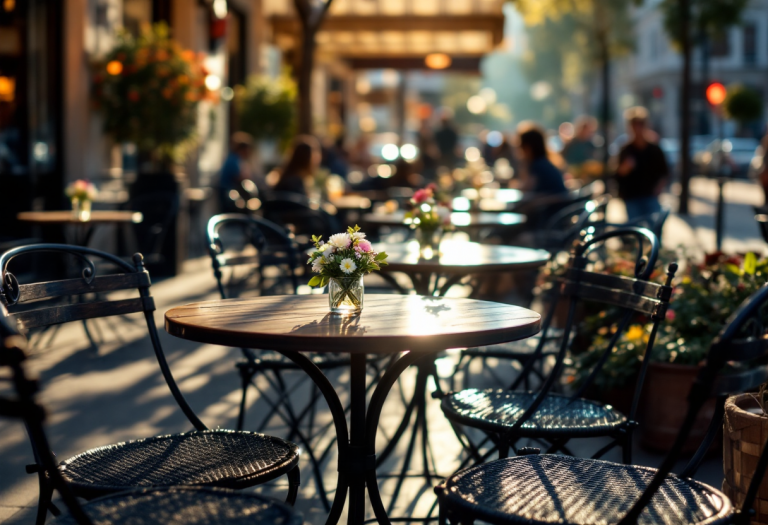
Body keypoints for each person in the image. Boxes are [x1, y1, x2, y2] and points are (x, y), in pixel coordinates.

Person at [615, 107, 668, 221]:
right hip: (632, 197)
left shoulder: (654, 149)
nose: (637, 128)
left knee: (654, 228)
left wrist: (658, 188)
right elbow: (616, 175)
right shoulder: (625, 149)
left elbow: (664, 172)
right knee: (634, 229)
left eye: (640, 125)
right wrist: (625, 168)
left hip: (650, 195)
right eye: (634, 125)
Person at [517, 125, 567, 194]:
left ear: (528, 148)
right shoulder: (545, 163)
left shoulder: (538, 165)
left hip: (554, 204)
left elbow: (525, 189)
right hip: (560, 203)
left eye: (522, 148)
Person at [219, 132, 255, 213]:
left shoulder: (236, 159)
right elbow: (240, 177)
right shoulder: (234, 160)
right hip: (228, 194)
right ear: (242, 149)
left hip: (230, 193)